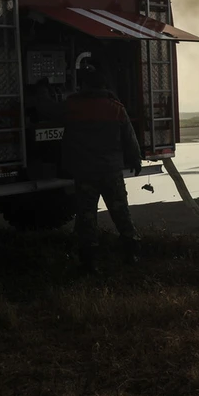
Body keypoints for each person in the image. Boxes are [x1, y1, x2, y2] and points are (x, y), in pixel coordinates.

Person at [61, 66, 142, 272]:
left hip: (85, 172)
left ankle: (89, 262)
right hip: (111, 171)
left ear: (85, 85)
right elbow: (130, 139)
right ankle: (131, 254)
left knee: (87, 216)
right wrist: (135, 160)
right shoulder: (116, 108)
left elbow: (53, 118)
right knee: (121, 212)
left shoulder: (73, 106)